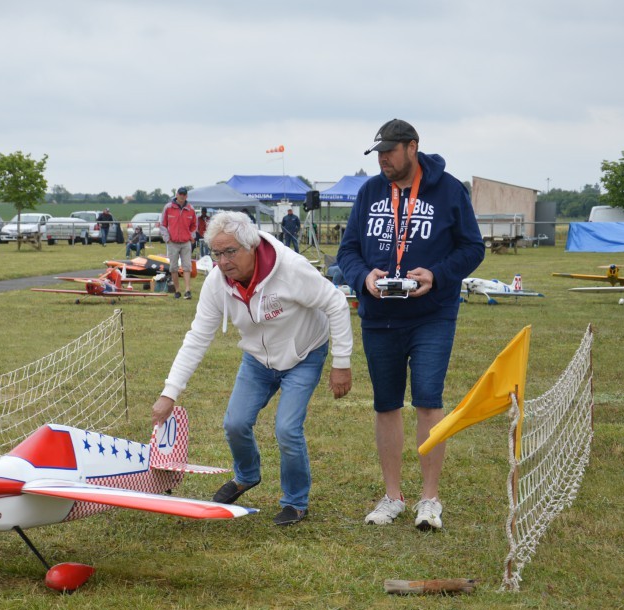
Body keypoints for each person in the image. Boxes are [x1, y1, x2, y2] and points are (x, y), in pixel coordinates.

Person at [152, 211, 353, 526]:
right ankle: (246, 476)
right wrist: (169, 393)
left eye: (230, 252)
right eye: (216, 254)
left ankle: (295, 502)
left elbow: (336, 303)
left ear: (251, 246)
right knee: (235, 423)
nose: (223, 261)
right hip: (257, 360)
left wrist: (341, 363)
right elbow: (197, 337)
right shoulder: (217, 283)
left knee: (287, 429)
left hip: (304, 353)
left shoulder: (291, 268)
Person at [336, 119, 484, 531]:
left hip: (431, 315)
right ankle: (392, 496)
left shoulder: (449, 190)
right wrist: (362, 276)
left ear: (412, 147)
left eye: (390, 151)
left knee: (428, 401)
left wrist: (436, 274)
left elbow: (473, 248)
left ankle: (430, 500)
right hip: (379, 317)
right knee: (386, 404)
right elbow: (348, 250)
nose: (382, 158)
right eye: (378, 152)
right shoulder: (370, 191)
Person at [160, 187, 197, 299]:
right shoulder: (168, 207)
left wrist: (192, 236)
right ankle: (177, 290)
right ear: (176, 194)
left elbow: (194, 225)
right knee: (173, 267)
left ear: (186, 196)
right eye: (180, 194)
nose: (182, 196)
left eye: (184, 194)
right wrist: (167, 238)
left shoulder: (191, 209)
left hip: (186, 242)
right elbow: (163, 224)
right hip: (172, 242)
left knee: (187, 266)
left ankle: (187, 290)